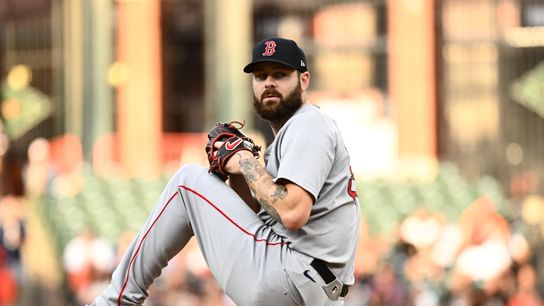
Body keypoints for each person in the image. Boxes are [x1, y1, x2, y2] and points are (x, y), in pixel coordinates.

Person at [88, 37, 360, 306]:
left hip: (294, 276)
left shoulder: (308, 122)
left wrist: (242, 159)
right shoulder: (292, 137)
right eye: (260, 76)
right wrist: (240, 174)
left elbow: (292, 212)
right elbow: (260, 218)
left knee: (187, 182)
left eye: (280, 74)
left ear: (303, 80)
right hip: (315, 288)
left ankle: (115, 301)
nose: (269, 83)